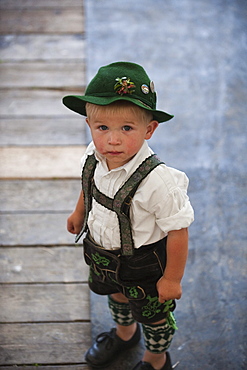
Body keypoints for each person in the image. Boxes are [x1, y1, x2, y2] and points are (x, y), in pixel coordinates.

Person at [63, 61, 194, 370]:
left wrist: (172, 278)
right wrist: (79, 211)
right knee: (117, 295)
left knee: (154, 314)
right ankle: (124, 334)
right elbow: (89, 185)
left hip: (144, 263)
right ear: (90, 125)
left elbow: (178, 230)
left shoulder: (158, 182)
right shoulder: (94, 156)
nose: (113, 139)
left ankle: (155, 358)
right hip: (102, 254)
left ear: (149, 129)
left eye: (127, 128)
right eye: (102, 128)